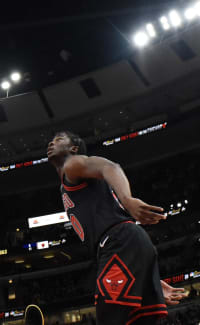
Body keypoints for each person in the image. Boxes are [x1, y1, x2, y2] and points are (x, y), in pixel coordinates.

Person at [47, 131, 188, 324]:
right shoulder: (69, 180)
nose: (51, 143)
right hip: (130, 245)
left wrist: (127, 199)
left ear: (73, 148)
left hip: (119, 240)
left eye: (59, 140)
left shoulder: (72, 164)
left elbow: (110, 166)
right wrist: (146, 276)